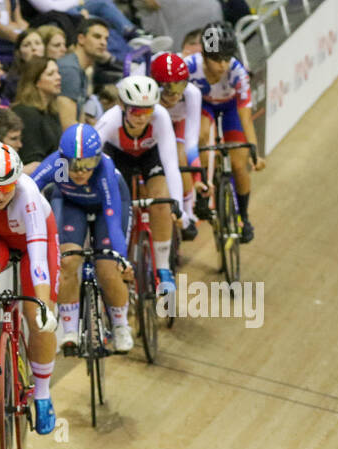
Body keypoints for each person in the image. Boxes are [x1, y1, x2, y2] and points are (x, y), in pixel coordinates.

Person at [0, 141, 60, 434]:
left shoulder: (28, 194)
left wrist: (42, 305)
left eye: (7, 188)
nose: (0, 195)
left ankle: (42, 394)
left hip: (32, 245)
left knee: (38, 319)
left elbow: (39, 256)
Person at [30, 123, 132, 354]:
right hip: (71, 203)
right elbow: (30, 187)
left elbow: (112, 217)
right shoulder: (56, 164)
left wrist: (121, 258)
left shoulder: (105, 169)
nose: (80, 171)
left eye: (87, 165)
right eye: (73, 165)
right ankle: (69, 329)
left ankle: (120, 325)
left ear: (97, 159)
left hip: (109, 208)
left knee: (107, 267)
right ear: (62, 159)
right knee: (67, 261)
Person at [95, 75, 181, 296]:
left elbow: (170, 163)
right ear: (122, 106)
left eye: (147, 111)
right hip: (118, 156)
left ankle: (163, 269)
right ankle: (121, 262)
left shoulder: (160, 116)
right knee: (118, 205)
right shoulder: (109, 119)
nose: (143, 118)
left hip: (149, 156)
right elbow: (90, 153)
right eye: (136, 111)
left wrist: (177, 202)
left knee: (161, 201)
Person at [187, 20, 264, 242]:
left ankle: (245, 217)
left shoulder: (237, 73)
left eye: (226, 59)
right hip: (204, 105)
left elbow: (246, 119)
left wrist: (254, 153)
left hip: (231, 108)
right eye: (216, 59)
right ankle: (201, 189)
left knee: (240, 165)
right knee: (201, 135)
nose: (222, 66)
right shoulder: (190, 67)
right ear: (204, 55)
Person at [152, 52, 201, 240]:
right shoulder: (150, 94)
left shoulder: (192, 93)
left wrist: (196, 173)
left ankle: (188, 211)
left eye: (180, 86)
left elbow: (191, 141)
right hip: (156, 127)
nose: (174, 94)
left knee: (180, 155)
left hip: (179, 125)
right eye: (168, 89)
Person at [53, 17, 109, 130]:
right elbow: (67, 125)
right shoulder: (69, 70)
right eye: (97, 37)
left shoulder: (81, 69)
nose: (103, 42)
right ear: (81, 39)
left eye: (106, 39)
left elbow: (79, 118)